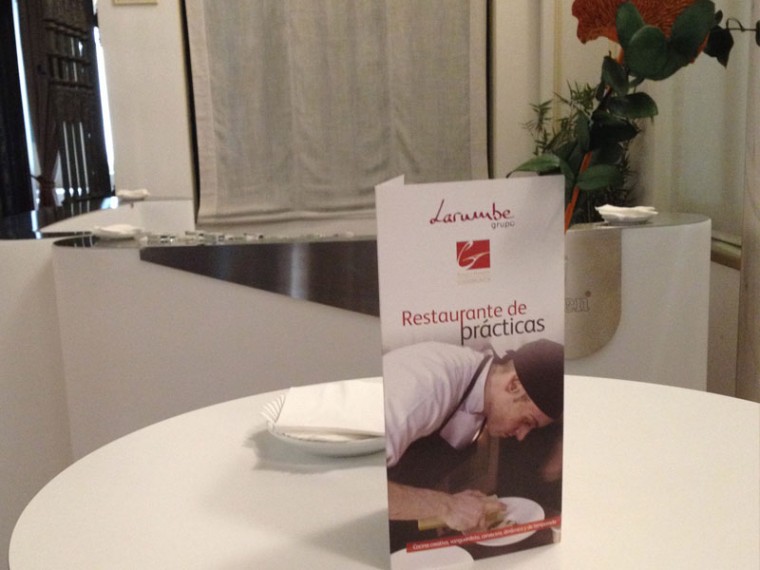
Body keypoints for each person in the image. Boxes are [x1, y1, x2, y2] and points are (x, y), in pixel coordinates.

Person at [383, 338, 563, 538]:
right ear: (513, 385)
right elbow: (364, 486)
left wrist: (455, 506)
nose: (521, 435)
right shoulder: (426, 385)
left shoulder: (485, 397)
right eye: (526, 421)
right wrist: (447, 506)